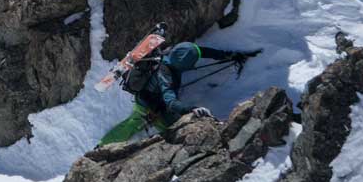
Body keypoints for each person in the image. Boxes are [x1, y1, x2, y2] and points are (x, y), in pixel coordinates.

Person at [99, 40, 259, 145]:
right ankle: (102, 146)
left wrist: (229, 55)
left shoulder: (177, 52)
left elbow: (201, 51)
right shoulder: (166, 75)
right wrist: (190, 109)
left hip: (158, 100)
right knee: (136, 124)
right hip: (147, 105)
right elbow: (170, 102)